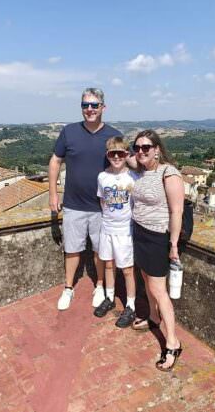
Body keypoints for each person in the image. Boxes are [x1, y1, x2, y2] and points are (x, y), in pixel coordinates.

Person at [49, 88, 122, 311]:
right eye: (85, 105)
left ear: (103, 107)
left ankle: (99, 286)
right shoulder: (69, 132)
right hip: (73, 204)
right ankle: (68, 288)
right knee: (72, 249)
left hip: (102, 207)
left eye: (94, 105)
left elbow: (123, 165)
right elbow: (55, 161)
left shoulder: (112, 136)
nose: (89, 109)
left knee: (101, 251)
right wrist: (53, 193)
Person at [130, 129, 184, 371]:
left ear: (157, 150)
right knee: (144, 278)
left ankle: (172, 342)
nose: (140, 151)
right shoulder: (141, 169)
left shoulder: (168, 173)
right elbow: (117, 152)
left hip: (157, 237)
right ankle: (153, 317)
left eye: (146, 148)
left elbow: (177, 211)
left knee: (158, 290)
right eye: (137, 147)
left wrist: (173, 244)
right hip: (139, 232)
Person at [93, 136, 138, 328]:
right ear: (107, 155)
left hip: (124, 231)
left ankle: (131, 305)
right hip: (107, 228)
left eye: (121, 153)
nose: (117, 157)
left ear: (127, 154)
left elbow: (135, 204)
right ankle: (110, 298)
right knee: (109, 265)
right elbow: (103, 201)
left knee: (127, 270)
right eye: (113, 153)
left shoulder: (133, 177)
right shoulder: (102, 177)